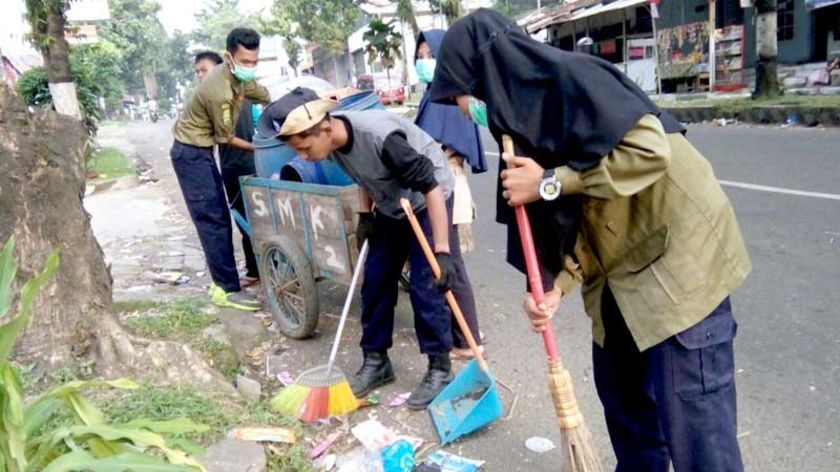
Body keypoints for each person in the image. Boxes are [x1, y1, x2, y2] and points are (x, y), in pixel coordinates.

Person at [429, 9, 752, 472]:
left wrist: (547, 185)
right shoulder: (524, 128)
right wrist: (556, 287)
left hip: (679, 267)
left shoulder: (574, 80)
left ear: (490, 75)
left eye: (462, 95)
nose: (466, 109)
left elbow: (649, 152)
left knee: (698, 432)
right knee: (624, 401)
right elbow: (585, 216)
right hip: (621, 271)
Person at [258, 87, 476, 409]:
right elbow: (364, 173)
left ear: (326, 128)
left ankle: (440, 368)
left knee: (425, 284)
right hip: (390, 203)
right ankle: (377, 362)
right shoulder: (330, 143)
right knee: (374, 280)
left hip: (427, 198)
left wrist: (442, 250)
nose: (302, 156)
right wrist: (364, 215)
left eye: (304, 147)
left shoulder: (383, 138)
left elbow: (430, 185)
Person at [170, 28, 270, 311]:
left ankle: (225, 282)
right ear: (229, 57)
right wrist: (262, 147)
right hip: (190, 154)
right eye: (245, 62)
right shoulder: (220, 91)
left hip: (201, 152)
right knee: (214, 221)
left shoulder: (236, 77)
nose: (250, 67)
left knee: (220, 218)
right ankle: (226, 290)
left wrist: (274, 102)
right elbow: (226, 137)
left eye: (254, 62)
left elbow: (255, 90)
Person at [414, 29, 487, 361]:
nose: (424, 62)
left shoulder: (444, 98)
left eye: (431, 56)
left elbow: (435, 146)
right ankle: (467, 333)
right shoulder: (434, 95)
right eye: (420, 56)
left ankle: (468, 339)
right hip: (443, 185)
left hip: (446, 187)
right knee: (452, 264)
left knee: (451, 265)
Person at [193, 50, 260, 288]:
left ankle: (255, 269)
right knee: (257, 216)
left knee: (245, 217)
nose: (200, 75)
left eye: (204, 69)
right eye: (198, 71)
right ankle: (261, 266)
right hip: (248, 162)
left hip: (238, 164)